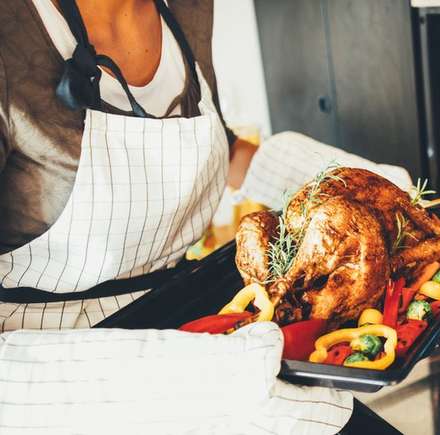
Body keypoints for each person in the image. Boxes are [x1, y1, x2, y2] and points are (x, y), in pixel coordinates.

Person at [0, 1, 352, 433]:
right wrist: (185, 381)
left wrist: (348, 186)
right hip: (62, 380)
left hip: (196, 319)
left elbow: (216, 145)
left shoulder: (189, 8)